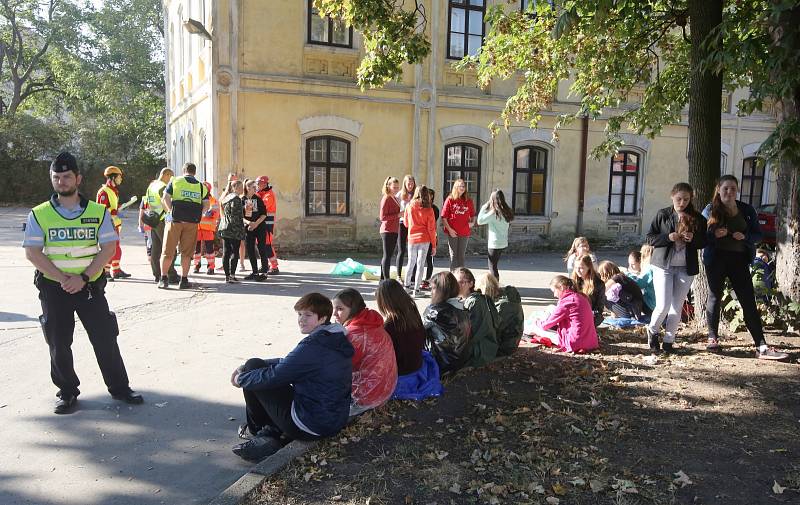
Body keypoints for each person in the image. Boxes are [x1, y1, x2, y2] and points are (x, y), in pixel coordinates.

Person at [23, 152, 144, 414]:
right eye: (56, 177)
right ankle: (67, 392)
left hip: (89, 285)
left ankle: (120, 388)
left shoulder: (97, 212)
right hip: (55, 288)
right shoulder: (39, 214)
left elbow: (108, 247)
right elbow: (33, 253)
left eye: (67, 177)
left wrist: (84, 277)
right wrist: (65, 279)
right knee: (58, 342)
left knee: (105, 338)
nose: (62, 181)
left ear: (78, 178)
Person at [230, 293, 353, 461]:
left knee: (254, 370)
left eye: (308, 315)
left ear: (322, 318)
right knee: (255, 366)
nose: (301, 319)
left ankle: (259, 432)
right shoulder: (332, 338)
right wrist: (253, 367)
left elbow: (276, 376)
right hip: (332, 419)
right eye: (299, 314)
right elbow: (290, 363)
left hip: (311, 425)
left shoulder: (314, 345)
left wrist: (241, 378)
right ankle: (270, 432)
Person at [702, 175, 787, 359]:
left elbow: (758, 235)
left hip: (739, 259)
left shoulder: (746, 209)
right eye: (725, 188)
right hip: (716, 258)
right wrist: (714, 234)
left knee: (747, 299)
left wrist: (746, 237)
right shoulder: (710, 209)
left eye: (733, 188)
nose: (729, 192)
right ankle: (712, 338)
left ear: (737, 190)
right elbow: (700, 237)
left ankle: (761, 346)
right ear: (719, 189)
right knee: (714, 296)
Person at [645, 182, 708, 353]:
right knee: (663, 305)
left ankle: (669, 341)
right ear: (672, 196)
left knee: (677, 305)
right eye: (679, 199)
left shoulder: (698, 218)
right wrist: (668, 237)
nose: (682, 203)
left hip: (685, 268)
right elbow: (650, 238)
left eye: (686, 199)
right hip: (663, 265)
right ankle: (652, 330)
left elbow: (705, 241)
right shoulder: (663, 214)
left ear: (690, 199)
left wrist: (693, 238)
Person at [332, 288, 398, 416]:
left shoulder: (354, 334)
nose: (334, 314)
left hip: (369, 396)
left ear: (354, 309)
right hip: (387, 387)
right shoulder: (370, 320)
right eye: (334, 308)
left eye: (340, 309)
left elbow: (338, 368)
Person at [159, 162, 210, 289]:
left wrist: (170, 211)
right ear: (194, 172)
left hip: (175, 221)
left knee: (167, 252)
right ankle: (184, 280)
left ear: (184, 171)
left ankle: (163, 279)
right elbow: (207, 204)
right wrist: (200, 214)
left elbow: (165, 197)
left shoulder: (175, 181)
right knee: (186, 254)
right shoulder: (201, 186)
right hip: (192, 223)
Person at [528, 276, 599, 354]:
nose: (554, 295)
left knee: (532, 327)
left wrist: (537, 322)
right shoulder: (580, 296)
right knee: (550, 308)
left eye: (554, 291)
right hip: (591, 341)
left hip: (574, 342)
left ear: (561, 287)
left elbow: (545, 325)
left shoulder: (567, 301)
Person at [422, 271, 472, 374]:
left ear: (441, 290)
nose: (431, 292)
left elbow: (418, 330)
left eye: (433, 288)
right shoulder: (462, 306)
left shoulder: (436, 311)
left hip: (441, 363)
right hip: (462, 360)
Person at [375, 279, 426, 375]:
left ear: (384, 303)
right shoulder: (412, 311)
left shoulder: (390, 326)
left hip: (401, 372)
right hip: (417, 364)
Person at [140, 168, 178, 283]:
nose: (171, 180)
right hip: (162, 221)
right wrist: (171, 215)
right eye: (171, 177)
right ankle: (171, 275)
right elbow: (165, 201)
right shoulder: (162, 187)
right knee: (169, 249)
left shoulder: (151, 186)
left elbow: (147, 203)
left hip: (153, 220)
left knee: (156, 249)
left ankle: (157, 275)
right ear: (166, 175)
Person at [455, 267, 499, 367]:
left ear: (471, 283)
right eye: (455, 283)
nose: (457, 286)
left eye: (461, 282)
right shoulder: (465, 299)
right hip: (479, 346)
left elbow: (473, 333)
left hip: (482, 351)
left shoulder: (475, 302)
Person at [96, 165, 130, 280]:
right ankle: (105, 272)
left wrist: (120, 207)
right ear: (113, 177)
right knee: (109, 248)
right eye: (119, 177)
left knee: (116, 248)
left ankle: (116, 270)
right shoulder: (104, 191)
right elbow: (102, 209)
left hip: (114, 223)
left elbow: (112, 207)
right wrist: (114, 211)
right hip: (107, 224)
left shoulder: (113, 190)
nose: (121, 179)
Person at [404, 185, 438, 297]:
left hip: (412, 238)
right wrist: (434, 245)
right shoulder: (429, 209)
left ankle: (406, 286)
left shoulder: (409, 206)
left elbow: (406, 223)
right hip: (424, 238)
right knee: (420, 264)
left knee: (410, 262)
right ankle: (416, 290)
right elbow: (431, 228)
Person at [478, 273, 523, 356]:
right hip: (512, 340)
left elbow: (493, 329)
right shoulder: (507, 295)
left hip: (506, 346)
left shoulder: (502, 305)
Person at [476, 189, 514, 280]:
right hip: (503, 241)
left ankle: (495, 286)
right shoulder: (506, 211)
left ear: (492, 200)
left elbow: (479, 221)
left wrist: (484, 207)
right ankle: (495, 285)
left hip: (494, 243)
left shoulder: (494, 213)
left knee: (492, 266)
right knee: (495, 265)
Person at [441, 178, 475, 271]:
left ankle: (461, 277)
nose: (463, 188)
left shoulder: (468, 200)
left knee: (461, 256)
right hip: (453, 232)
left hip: (464, 232)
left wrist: (472, 223)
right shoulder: (450, 199)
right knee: (453, 256)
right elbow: (443, 217)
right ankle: (453, 276)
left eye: (464, 186)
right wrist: (450, 230)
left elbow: (472, 215)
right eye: (461, 186)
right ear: (456, 187)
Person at [218, 179, 246, 283]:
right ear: (235, 187)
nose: (242, 189)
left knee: (226, 252)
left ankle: (227, 276)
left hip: (224, 226)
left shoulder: (226, 198)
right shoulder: (236, 199)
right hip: (234, 228)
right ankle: (232, 276)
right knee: (235, 252)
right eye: (240, 187)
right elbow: (237, 215)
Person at [242, 179, 268, 281]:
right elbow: (240, 216)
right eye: (253, 187)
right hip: (248, 228)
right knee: (250, 250)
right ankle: (255, 272)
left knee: (262, 248)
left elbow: (264, 214)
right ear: (248, 188)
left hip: (260, 227)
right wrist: (249, 223)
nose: (255, 188)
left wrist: (256, 224)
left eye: (255, 187)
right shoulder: (242, 199)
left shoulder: (258, 198)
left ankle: (264, 272)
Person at [571, 254, 606, 327]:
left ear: (589, 268)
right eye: (576, 267)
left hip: (590, 315)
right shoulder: (573, 281)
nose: (578, 270)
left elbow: (599, 308)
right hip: (574, 313)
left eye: (581, 268)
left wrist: (588, 315)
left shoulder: (598, 284)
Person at [193, 182, 219, 275]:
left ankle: (211, 267)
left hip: (208, 228)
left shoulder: (213, 201)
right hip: (197, 227)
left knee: (209, 249)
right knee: (196, 249)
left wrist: (210, 213)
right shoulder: (196, 200)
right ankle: (196, 265)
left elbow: (216, 214)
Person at [256, 175, 280, 274]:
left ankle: (274, 267)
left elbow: (261, 207)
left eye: (258, 183)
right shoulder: (261, 193)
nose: (257, 185)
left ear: (264, 184)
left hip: (267, 225)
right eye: (257, 183)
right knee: (261, 245)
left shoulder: (269, 195)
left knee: (267, 245)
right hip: (261, 224)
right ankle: (265, 265)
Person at [379, 176, 401, 280]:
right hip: (387, 230)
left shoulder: (395, 198)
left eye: (397, 187)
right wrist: (398, 215)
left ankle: (382, 279)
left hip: (394, 229)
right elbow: (382, 217)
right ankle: (386, 280)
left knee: (387, 256)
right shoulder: (386, 198)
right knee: (387, 256)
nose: (396, 189)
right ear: (388, 186)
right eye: (394, 187)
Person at [395, 175, 416, 280]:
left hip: (413, 224)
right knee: (401, 250)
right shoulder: (399, 195)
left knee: (413, 251)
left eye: (412, 183)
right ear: (405, 184)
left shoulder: (416, 195)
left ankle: (413, 277)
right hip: (402, 223)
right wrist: (402, 213)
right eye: (409, 183)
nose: (410, 185)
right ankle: (399, 275)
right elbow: (396, 211)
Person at [626, 248, 656, 313]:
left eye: (633, 264)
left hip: (651, 306)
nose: (630, 266)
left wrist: (626, 273)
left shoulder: (650, 269)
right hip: (663, 306)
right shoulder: (659, 268)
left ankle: (628, 313)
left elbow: (637, 285)